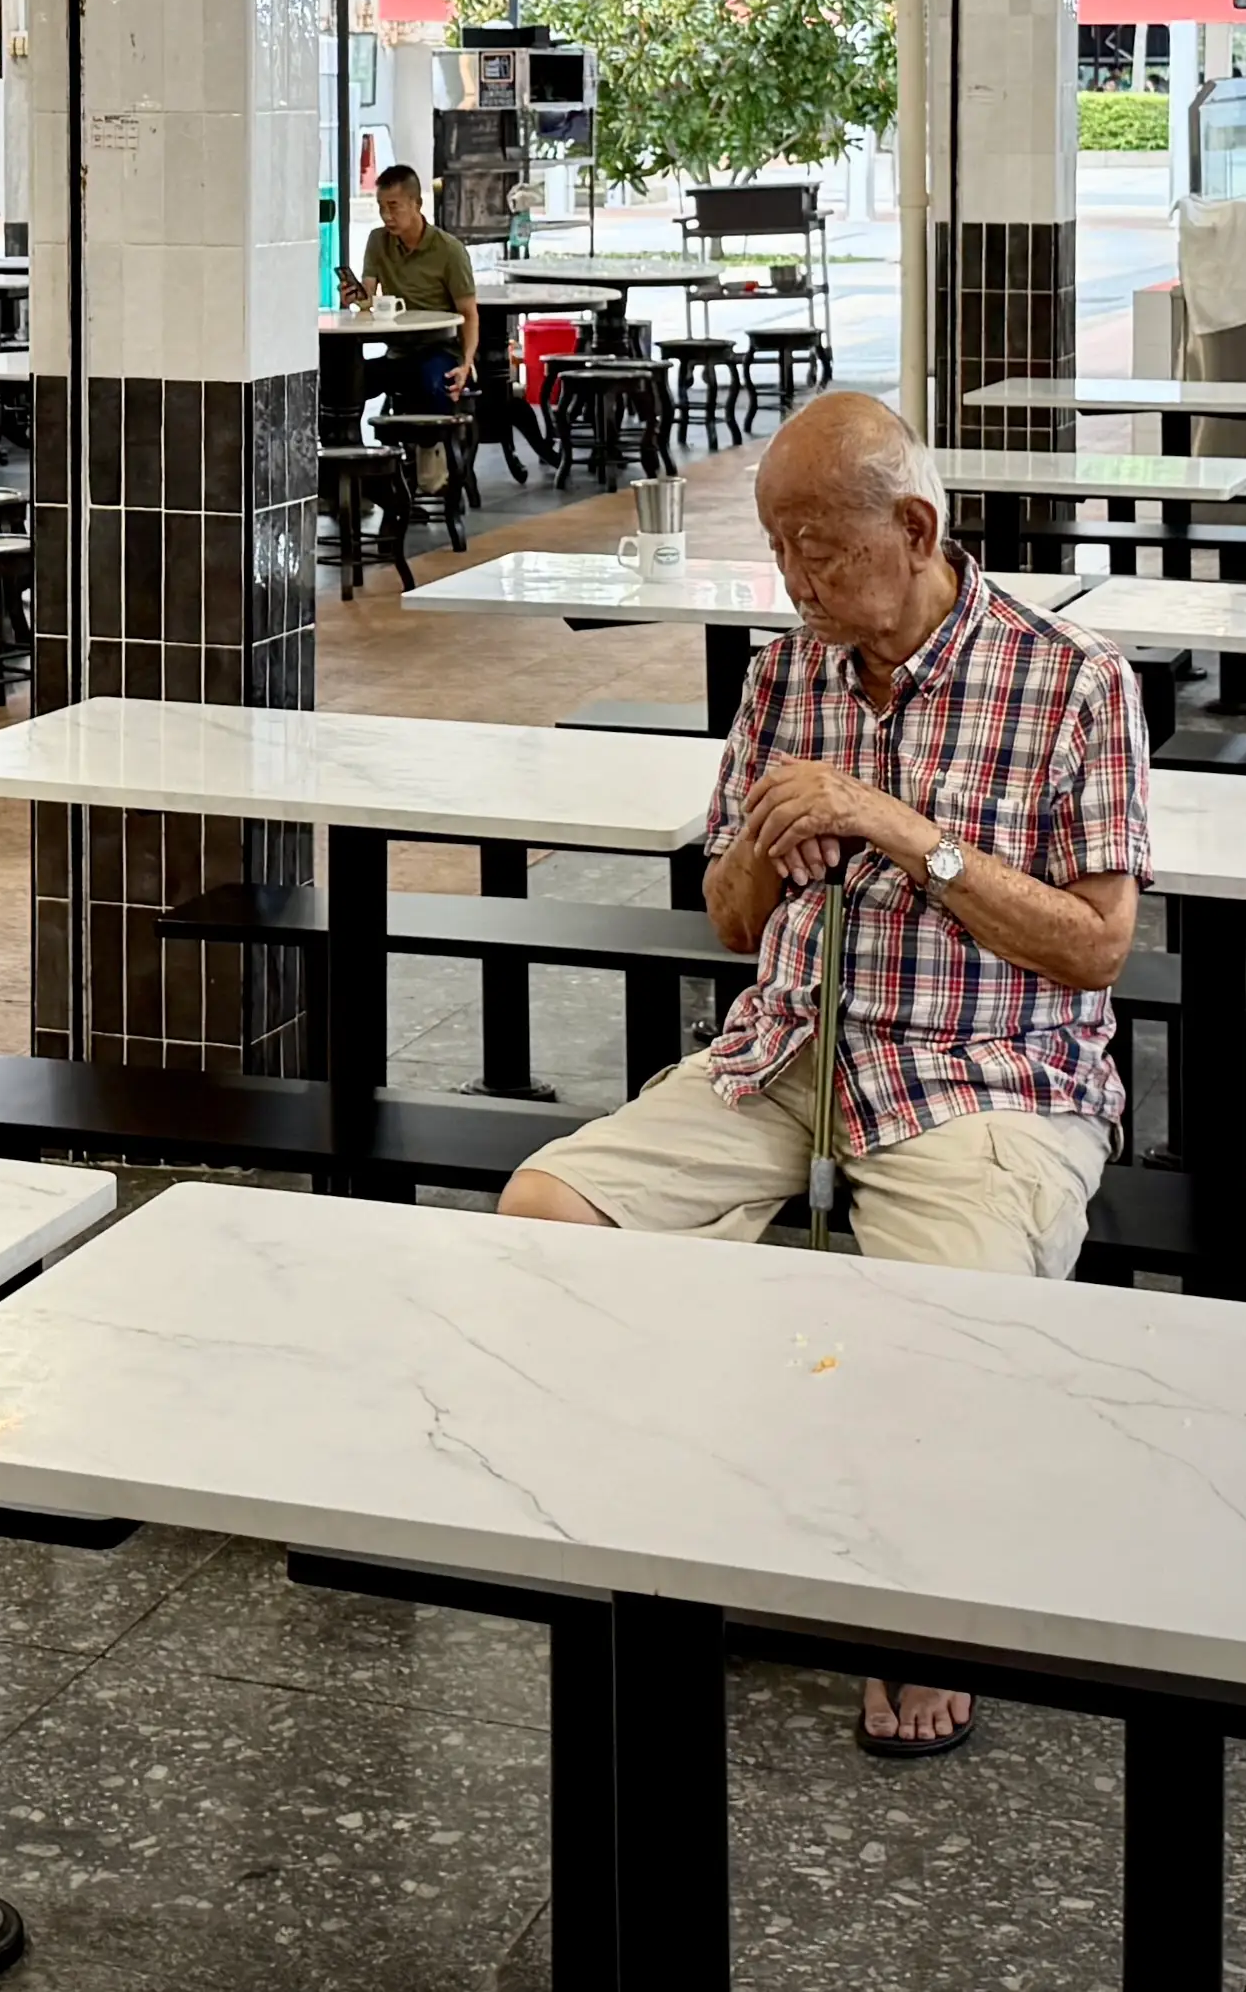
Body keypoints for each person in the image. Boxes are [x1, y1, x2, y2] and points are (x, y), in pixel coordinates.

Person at [500, 391, 1145, 1762]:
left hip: (980, 1070)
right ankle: (706, 1510)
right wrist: (756, 849)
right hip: (789, 1046)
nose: (794, 580)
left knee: (945, 1322)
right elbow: (732, 926)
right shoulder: (784, 676)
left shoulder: (1074, 682)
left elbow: (1095, 947)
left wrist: (902, 832)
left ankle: (915, 1604)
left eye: (818, 548)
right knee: (544, 1217)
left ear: (913, 528)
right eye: (777, 546)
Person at [339, 163, 480, 415]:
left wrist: (467, 364)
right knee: (344, 384)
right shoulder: (378, 241)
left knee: (435, 384)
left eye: (393, 206)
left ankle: (438, 440)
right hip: (399, 351)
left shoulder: (449, 250)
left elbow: (469, 313)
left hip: (441, 349)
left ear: (417, 203)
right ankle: (345, 439)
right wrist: (353, 299)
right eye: (381, 207)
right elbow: (368, 298)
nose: (386, 216)